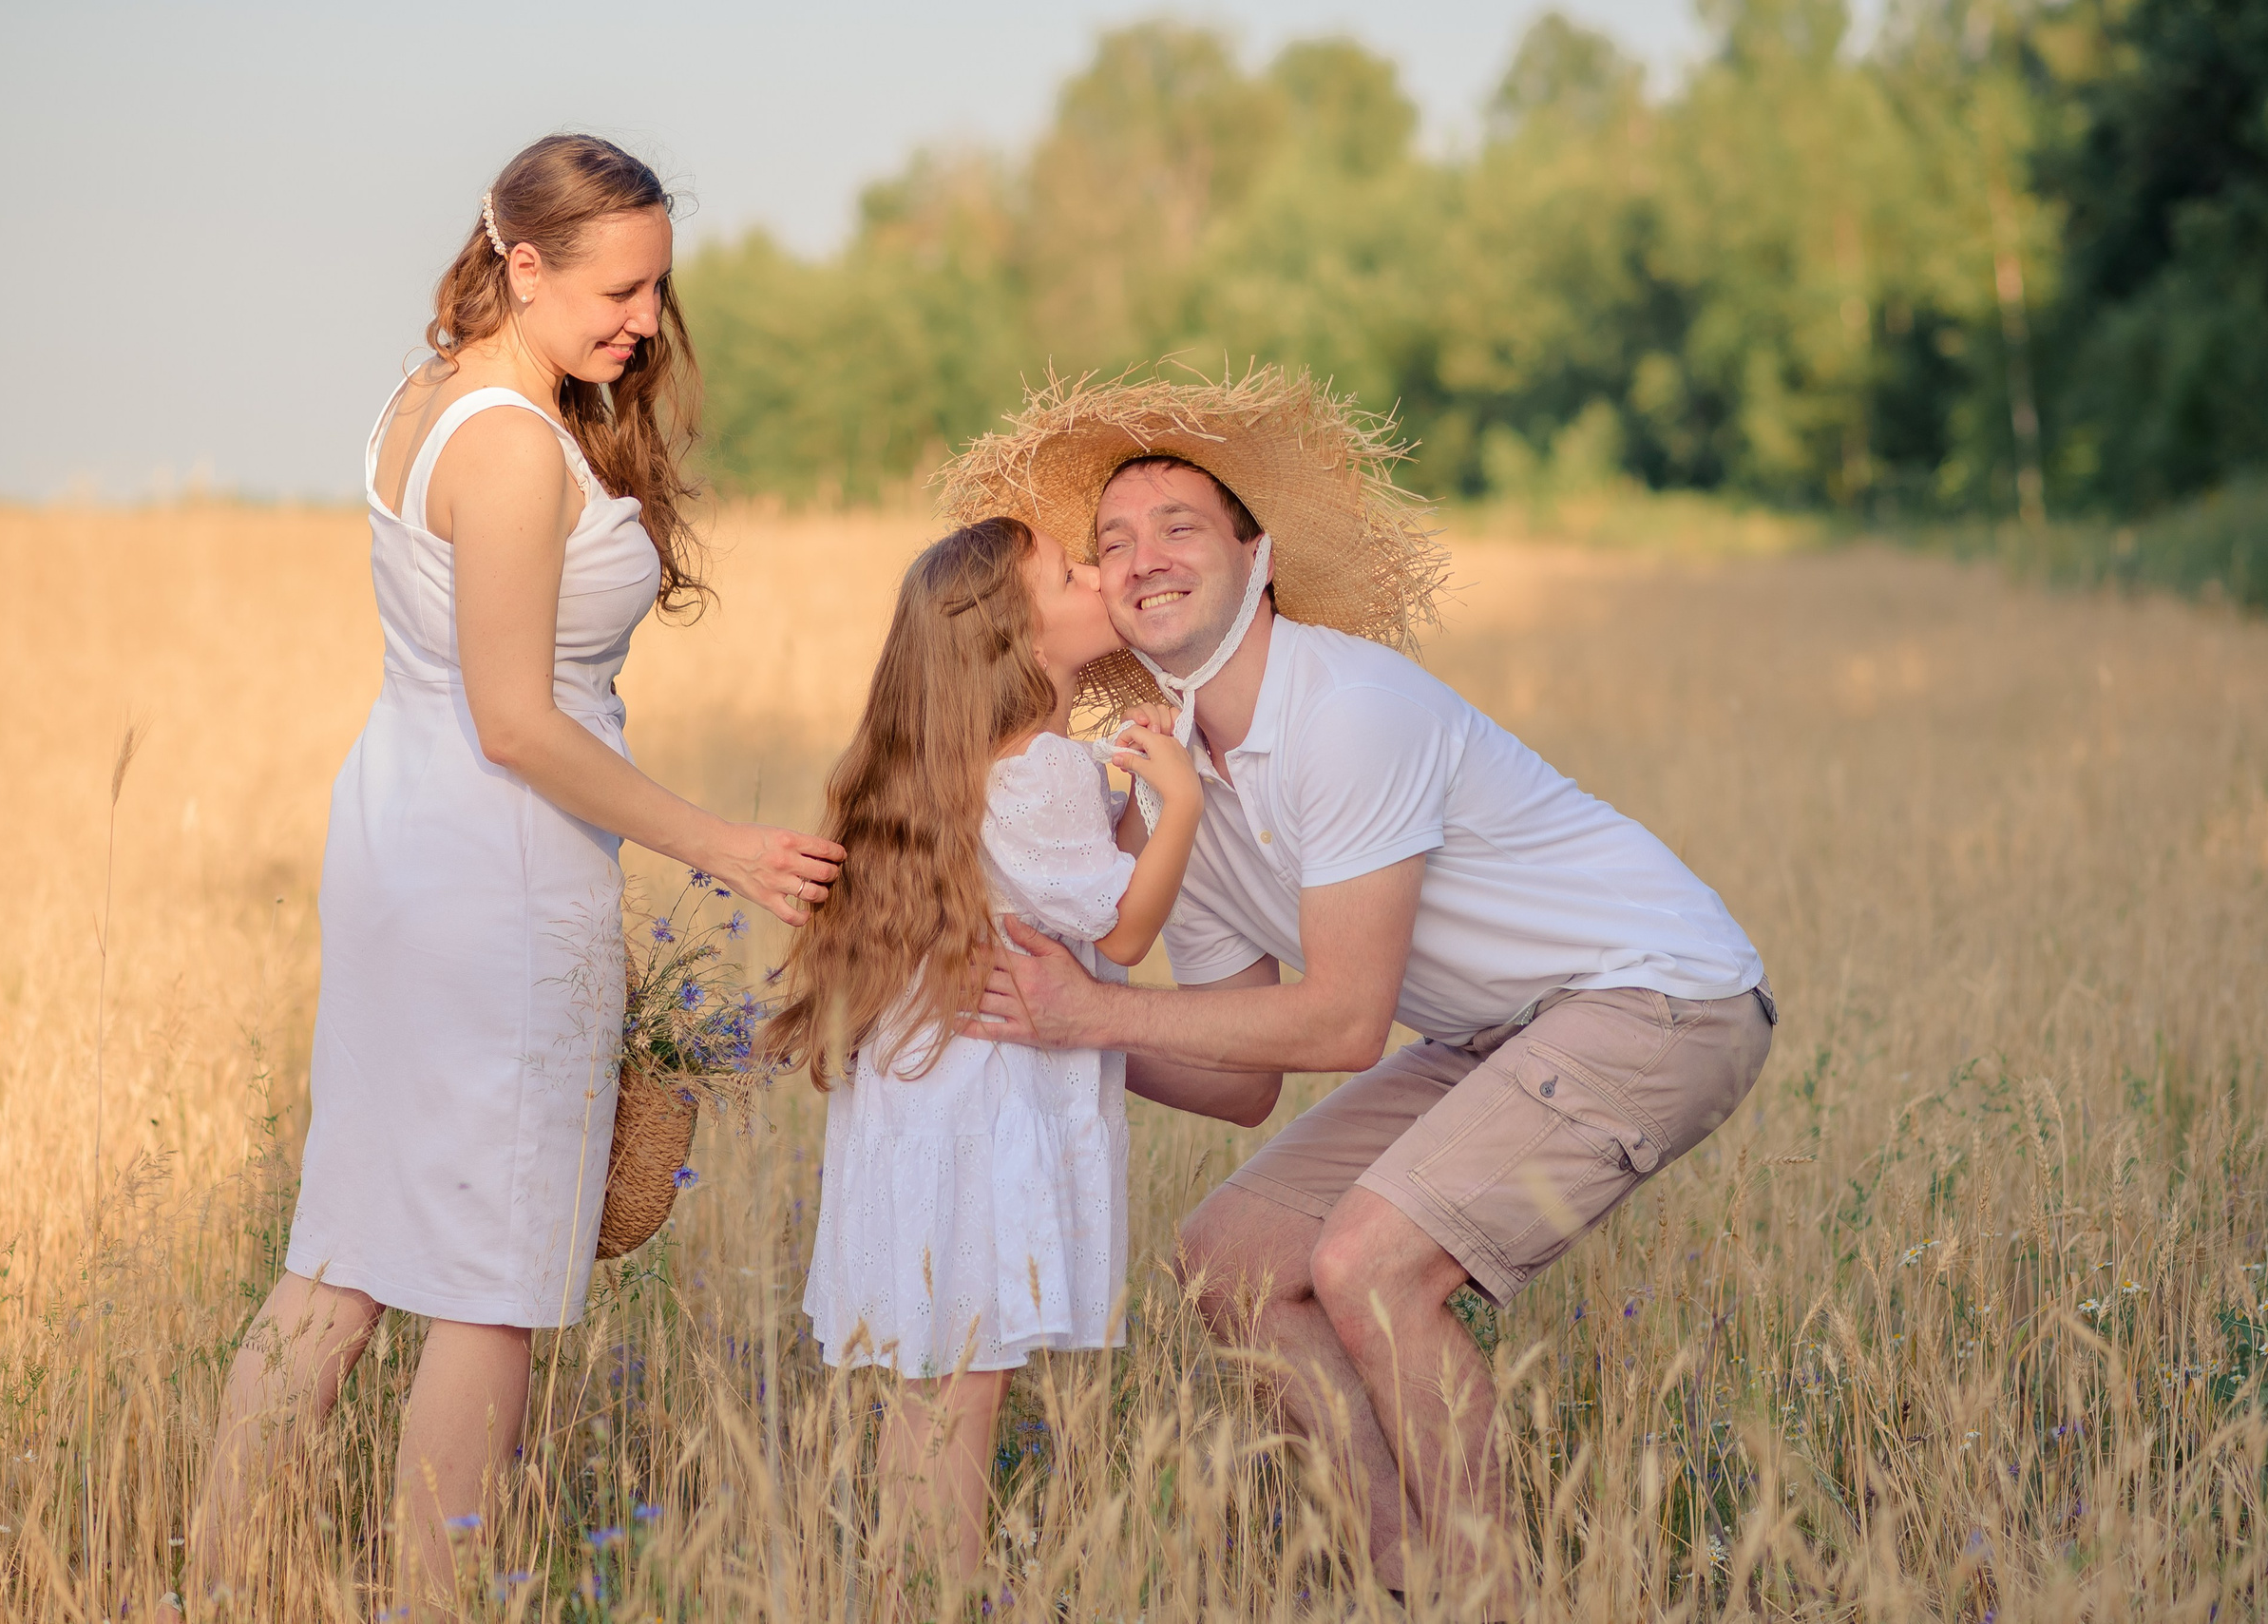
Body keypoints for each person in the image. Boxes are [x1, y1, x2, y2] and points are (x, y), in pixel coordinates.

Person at [939, 369, 1776, 1618]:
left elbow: (1338, 1021)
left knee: (1369, 1264)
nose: (1141, 556)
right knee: (1230, 1262)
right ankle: (1405, 1573)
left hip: (1661, 997)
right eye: (1110, 542)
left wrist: (1094, 1014)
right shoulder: (1185, 792)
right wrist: (1029, 1021)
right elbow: (1239, 1078)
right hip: (1493, 1032)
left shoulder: (1349, 710)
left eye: (1180, 526)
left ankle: (1493, 1602)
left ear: (1255, 554)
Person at [168, 136, 845, 1616]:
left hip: (405, 840)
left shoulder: (424, 398)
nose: (647, 323)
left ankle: (204, 1588)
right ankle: (434, 1598)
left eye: (660, 289)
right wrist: (723, 844)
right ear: (522, 263)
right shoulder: (513, 446)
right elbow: (519, 721)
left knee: (343, 1247)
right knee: (497, 1279)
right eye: (621, 288)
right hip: (497, 873)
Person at [760, 515, 1204, 1593]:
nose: (1100, 576)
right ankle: (934, 1593)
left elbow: (1084, 886)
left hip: (919, 1118)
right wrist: (1179, 803)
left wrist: (1132, 809)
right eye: (1068, 571)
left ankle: (903, 1588)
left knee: (932, 1383)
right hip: (986, 1120)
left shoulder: (953, 768)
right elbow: (1126, 930)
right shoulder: (1043, 770)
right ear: (1015, 633)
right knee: (969, 1387)